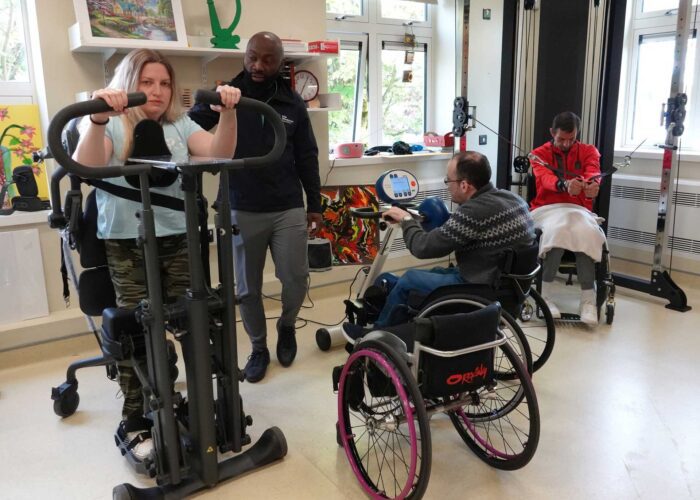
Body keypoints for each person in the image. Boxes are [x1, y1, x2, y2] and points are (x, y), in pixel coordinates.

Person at [73, 48, 241, 463]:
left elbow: (221, 150)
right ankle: (135, 419)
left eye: (164, 83)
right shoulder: (108, 121)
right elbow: (84, 165)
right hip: (128, 242)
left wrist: (229, 112)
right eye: (146, 82)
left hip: (179, 237)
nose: (157, 91)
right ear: (129, 83)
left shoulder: (178, 124)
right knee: (136, 329)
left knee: (193, 319)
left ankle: (201, 407)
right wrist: (97, 117)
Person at [188, 32, 322, 383]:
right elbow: (186, 128)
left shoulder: (293, 104)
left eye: (267, 59)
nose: (258, 66)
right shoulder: (227, 94)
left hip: (286, 205)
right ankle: (259, 347)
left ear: (281, 63)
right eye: (252, 57)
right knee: (245, 288)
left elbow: (307, 156)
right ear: (244, 56)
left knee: (295, 279)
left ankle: (288, 326)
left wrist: (315, 205)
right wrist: (213, 107)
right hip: (240, 205)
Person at [345, 151, 535, 334]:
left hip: (481, 287)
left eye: (448, 180)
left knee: (410, 278)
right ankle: (400, 326)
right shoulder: (512, 198)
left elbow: (421, 248)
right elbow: (480, 229)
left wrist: (405, 220)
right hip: (509, 286)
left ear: (464, 185)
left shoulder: (474, 211)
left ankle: (376, 335)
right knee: (432, 273)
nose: (446, 185)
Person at [529, 111, 604, 326]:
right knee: (560, 229)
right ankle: (546, 296)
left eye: (571, 139)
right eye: (561, 139)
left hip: (578, 210)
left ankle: (588, 300)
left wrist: (592, 185)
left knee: (587, 231)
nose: (566, 143)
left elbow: (593, 171)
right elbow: (545, 179)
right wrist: (564, 185)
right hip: (547, 209)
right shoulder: (539, 153)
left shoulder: (589, 151)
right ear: (552, 132)